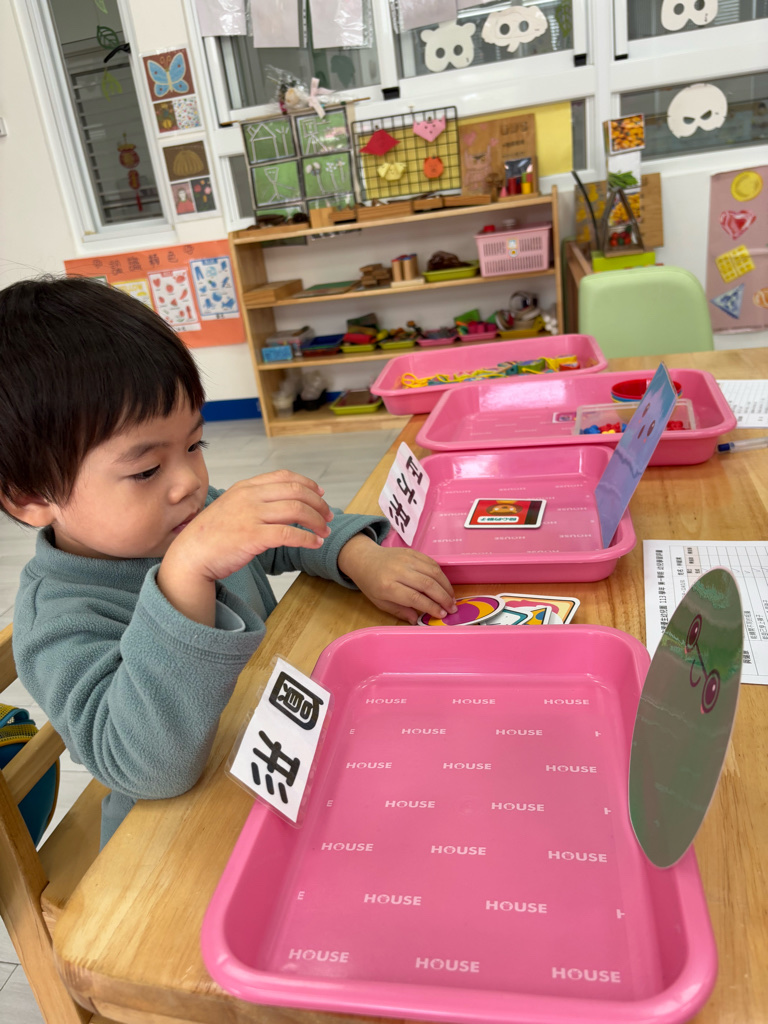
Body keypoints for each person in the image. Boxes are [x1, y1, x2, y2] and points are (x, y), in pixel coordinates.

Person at [0, 276, 456, 847]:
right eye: (146, 470)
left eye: (195, 445)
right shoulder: (58, 617)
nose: (190, 482)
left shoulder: (184, 514)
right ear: (30, 497)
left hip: (279, 747)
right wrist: (185, 575)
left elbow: (285, 531)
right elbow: (147, 769)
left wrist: (358, 555)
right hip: (180, 838)